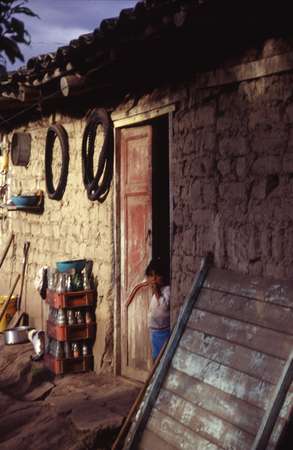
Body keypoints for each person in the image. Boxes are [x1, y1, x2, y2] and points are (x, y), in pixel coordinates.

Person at [145, 258, 170, 361]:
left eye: (157, 275)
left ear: (163, 276)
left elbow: (164, 306)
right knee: (156, 358)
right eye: (151, 275)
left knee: (163, 358)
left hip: (163, 332)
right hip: (154, 332)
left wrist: (157, 293)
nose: (154, 279)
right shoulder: (154, 293)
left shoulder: (167, 290)